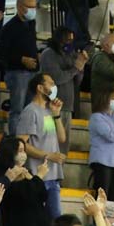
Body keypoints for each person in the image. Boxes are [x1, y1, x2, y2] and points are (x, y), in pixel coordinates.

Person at [18, 72, 67, 219]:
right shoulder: (30, 111)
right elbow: (21, 143)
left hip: (53, 175)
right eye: (50, 83)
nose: (54, 86)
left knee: (56, 220)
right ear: (40, 87)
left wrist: (57, 114)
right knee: (38, 218)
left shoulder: (49, 111)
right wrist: (48, 155)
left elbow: (62, 138)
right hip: (37, 175)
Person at [0, 0, 39, 135]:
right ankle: (15, 139)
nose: (33, 10)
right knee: (17, 109)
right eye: (30, 7)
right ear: (20, 7)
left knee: (30, 109)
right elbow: (2, 54)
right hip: (17, 73)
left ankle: (28, 139)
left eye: (34, 7)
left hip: (32, 72)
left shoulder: (31, 23)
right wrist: (21, 59)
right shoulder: (9, 28)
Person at [40, 27, 86, 156]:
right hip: (49, 107)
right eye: (67, 40)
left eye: (71, 40)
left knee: (63, 144)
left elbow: (77, 81)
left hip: (66, 107)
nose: (69, 43)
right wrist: (75, 68)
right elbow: (57, 78)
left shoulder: (70, 55)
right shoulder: (48, 54)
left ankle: (59, 172)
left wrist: (81, 67)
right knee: (48, 141)